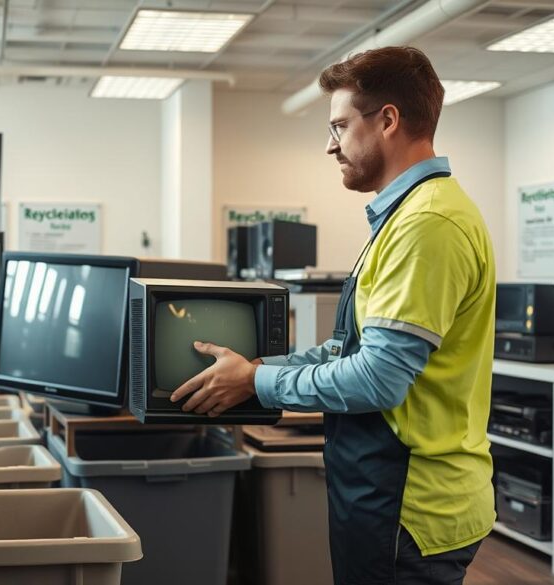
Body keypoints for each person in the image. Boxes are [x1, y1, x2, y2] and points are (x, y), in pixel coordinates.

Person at [169, 46, 496, 585]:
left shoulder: (426, 223)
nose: (329, 145)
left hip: (409, 505)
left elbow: (379, 379)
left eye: (339, 126)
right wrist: (258, 368)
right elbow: (353, 351)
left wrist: (259, 380)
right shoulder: (405, 217)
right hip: (389, 495)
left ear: (388, 120)